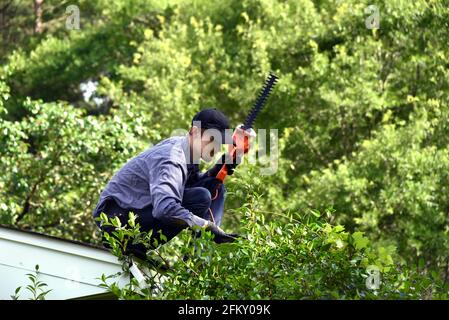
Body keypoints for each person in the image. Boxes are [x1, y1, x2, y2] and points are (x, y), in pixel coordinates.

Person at [92, 108, 242, 259]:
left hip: (136, 213)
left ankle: (199, 260)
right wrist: (206, 226)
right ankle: (192, 266)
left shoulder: (188, 151)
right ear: (194, 132)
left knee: (216, 187)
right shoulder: (172, 157)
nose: (215, 147)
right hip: (118, 222)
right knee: (201, 196)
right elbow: (164, 209)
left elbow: (188, 187)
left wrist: (217, 170)